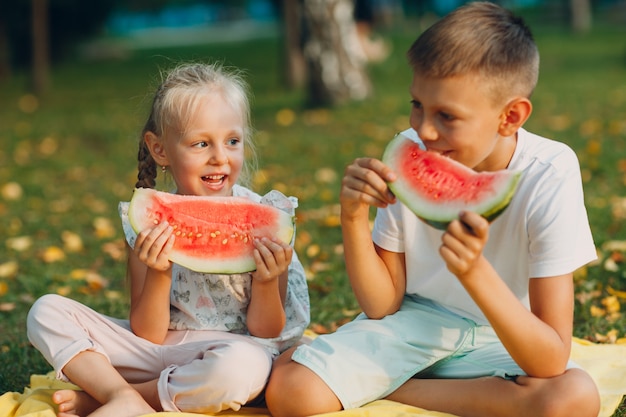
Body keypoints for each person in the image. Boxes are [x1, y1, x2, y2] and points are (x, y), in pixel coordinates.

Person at [265, 2, 601, 417]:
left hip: (508, 334)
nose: (423, 129)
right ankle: (472, 396)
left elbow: (549, 358)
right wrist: (352, 216)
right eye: (417, 105)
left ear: (510, 116)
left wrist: (474, 272)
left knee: (574, 398)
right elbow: (381, 305)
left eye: (447, 115)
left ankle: (386, 390)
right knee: (291, 392)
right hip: (414, 325)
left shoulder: (549, 172)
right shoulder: (408, 152)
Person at [27, 62, 310, 417]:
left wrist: (267, 280)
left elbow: (267, 329)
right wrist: (158, 272)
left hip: (231, 349)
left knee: (243, 368)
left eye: (232, 141)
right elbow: (147, 333)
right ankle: (121, 393)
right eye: (201, 143)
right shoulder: (146, 221)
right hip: (153, 350)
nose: (219, 157)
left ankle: (114, 396)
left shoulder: (268, 218)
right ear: (160, 150)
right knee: (46, 312)